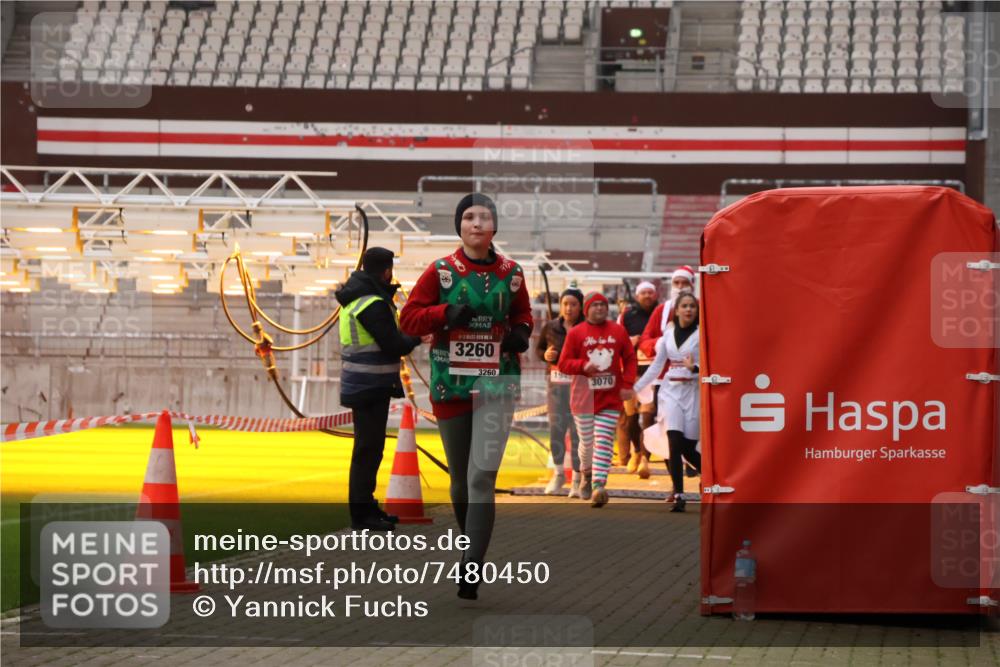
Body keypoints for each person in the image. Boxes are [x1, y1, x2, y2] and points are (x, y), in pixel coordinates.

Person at [400, 193, 533, 600]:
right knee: (460, 482)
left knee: (481, 477)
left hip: (498, 383)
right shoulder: (440, 272)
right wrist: (443, 314)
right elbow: (407, 319)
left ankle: (471, 566)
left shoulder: (513, 273)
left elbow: (523, 315)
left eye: (485, 217)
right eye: (469, 217)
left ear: (494, 227)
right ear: (459, 226)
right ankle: (471, 543)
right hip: (450, 383)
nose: (477, 223)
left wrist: (521, 334)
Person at [335, 247, 423, 531]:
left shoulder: (358, 299)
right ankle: (362, 515)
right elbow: (393, 344)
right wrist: (417, 337)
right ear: (386, 271)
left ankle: (367, 507)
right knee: (367, 450)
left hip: (365, 383)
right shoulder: (371, 303)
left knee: (370, 449)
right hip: (369, 384)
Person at [558, 292, 637, 508]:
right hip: (583, 398)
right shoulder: (576, 333)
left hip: (610, 398)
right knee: (587, 442)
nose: (600, 309)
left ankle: (599, 486)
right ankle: (586, 473)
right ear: (587, 309)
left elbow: (630, 358)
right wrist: (583, 366)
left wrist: (628, 384)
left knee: (603, 440)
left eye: (603, 305)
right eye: (595, 305)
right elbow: (564, 363)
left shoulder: (618, 331)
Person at [634, 293, 701, 512]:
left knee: (689, 447)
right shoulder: (668, 334)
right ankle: (679, 494)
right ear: (677, 310)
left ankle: (712, 479)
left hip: (692, 392)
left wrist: (696, 369)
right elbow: (655, 366)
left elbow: (714, 364)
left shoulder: (703, 335)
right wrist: (634, 388)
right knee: (673, 439)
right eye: (685, 306)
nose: (689, 310)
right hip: (670, 391)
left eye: (692, 306)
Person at [637, 265, 699, 478]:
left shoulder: (701, 309)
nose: (680, 287)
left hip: (694, 383)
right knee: (668, 434)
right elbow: (645, 341)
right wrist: (660, 343)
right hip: (666, 382)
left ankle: (700, 473)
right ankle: (676, 487)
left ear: (692, 286)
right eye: (676, 283)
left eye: (685, 283)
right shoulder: (661, 311)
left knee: (692, 435)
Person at [535, 287, 584, 496]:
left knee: (577, 434)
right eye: (565, 304)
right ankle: (558, 474)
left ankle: (578, 478)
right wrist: (545, 354)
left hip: (579, 389)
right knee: (556, 430)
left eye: (573, 304)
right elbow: (538, 349)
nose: (569, 308)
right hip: (556, 387)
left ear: (580, 306)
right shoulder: (551, 327)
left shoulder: (586, 328)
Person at [615, 280, 659, 478]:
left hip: (653, 372)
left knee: (648, 417)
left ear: (655, 295)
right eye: (644, 293)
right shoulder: (627, 315)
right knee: (630, 419)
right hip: (631, 373)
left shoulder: (660, 314)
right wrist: (629, 342)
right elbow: (616, 340)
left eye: (651, 292)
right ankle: (636, 450)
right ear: (638, 295)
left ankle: (645, 460)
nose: (647, 296)